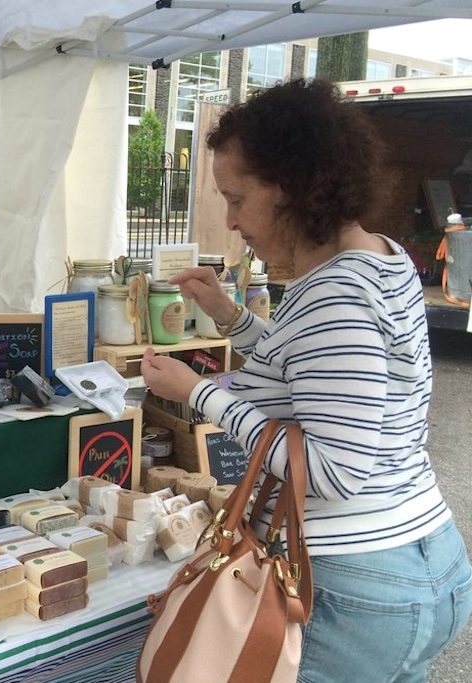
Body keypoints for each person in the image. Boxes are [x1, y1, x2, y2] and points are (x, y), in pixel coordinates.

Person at [141, 79, 471, 682]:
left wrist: (199, 394)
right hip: (418, 554)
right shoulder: (379, 259)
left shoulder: (335, 293)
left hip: (351, 585)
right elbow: (315, 369)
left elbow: (334, 472)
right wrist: (231, 317)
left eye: (237, 199)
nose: (232, 221)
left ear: (294, 188)